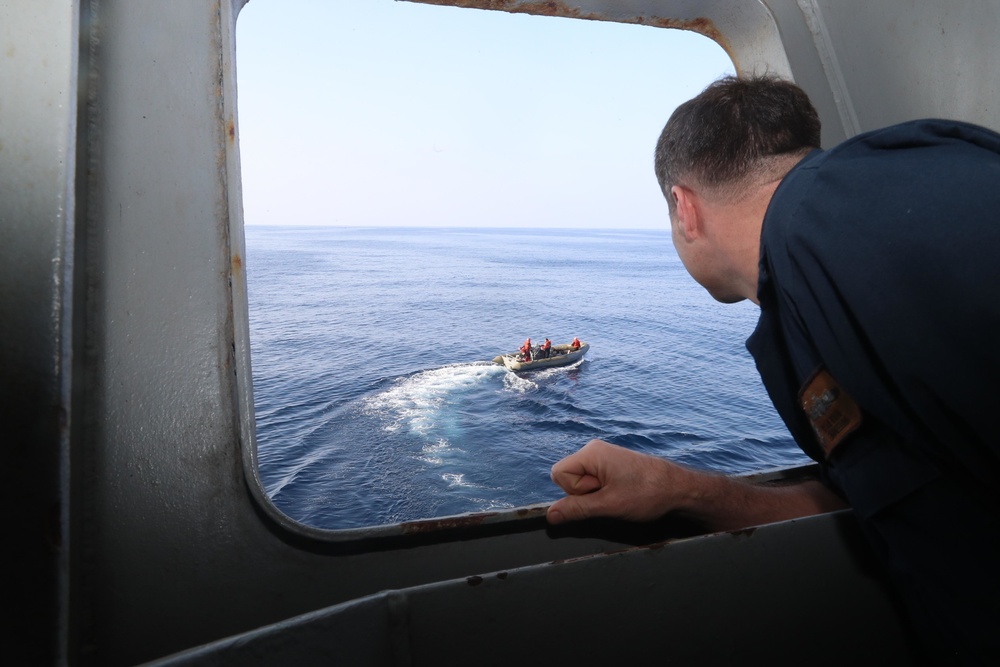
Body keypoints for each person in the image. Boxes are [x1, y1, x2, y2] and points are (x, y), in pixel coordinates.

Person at [547, 74, 1000, 662]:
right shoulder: (819, 270)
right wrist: (677, 489)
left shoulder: (841, 225)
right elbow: (880, 496)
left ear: (684, 209)